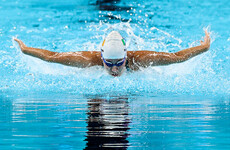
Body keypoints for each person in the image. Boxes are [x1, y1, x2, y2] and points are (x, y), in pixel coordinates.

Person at [14, 30, 210, 76]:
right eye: (109, 63)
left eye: (119, 62)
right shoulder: (88, 60)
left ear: (126, 56)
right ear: (101, 57)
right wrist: (26, 50)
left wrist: (204, 47)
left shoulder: (140, 59)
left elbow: (176, 58)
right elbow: (52, 56)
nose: (114, 69)